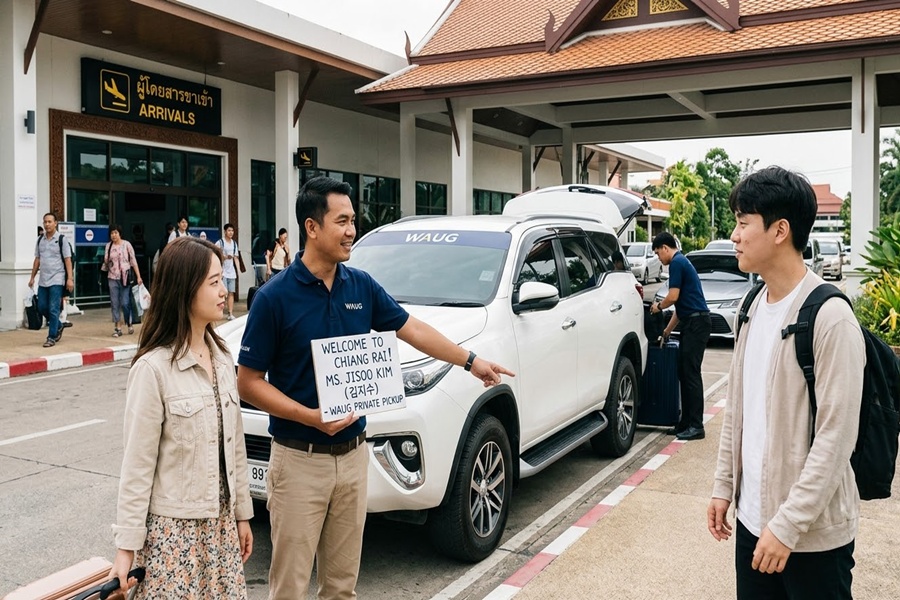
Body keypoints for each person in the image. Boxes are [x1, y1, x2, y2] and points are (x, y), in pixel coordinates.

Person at [236, 176, 514, 600]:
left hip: (353, 458)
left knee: (342, 587)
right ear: (312, 228)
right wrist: (309, 417)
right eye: (342, 221)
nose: (352, 230)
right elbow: (248, 382)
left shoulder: (360, 286)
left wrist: (471, 361)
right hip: (298, 462)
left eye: (353, 220)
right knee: (289, 588)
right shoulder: (274, 298)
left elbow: (412, 329)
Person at [707, 167, 865, 599]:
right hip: (752, 524)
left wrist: (788, 525)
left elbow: (836, 438)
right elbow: (737, 409)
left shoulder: (831, 318)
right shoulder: (751, 307)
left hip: (812, 539)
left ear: (780, 231)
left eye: (743, 223)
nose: (734, 236)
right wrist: (724, 486)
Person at [109, 236, 253, 598]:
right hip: (173, 538)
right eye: (214, 282)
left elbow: (234, 447)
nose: (223, 291)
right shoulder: (153, 369)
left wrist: (242, 515)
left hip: (221, 528)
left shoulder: (223, 358)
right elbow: (137, 466)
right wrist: (126, 549)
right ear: (185, 290)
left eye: (221, 280)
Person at [649, 231, 710, 441]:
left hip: (697, 324)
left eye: (658, 253)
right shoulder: (682, 262)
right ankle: (686, 422)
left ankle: (696, 426)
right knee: (684, 373)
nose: (659, 258)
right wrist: (666, 331)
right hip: (692, 322)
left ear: (665, 248)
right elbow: (680, 308)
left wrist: (658, 307)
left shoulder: (676, 263)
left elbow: (673, 297)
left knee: (691, 374)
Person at [28, 213, 73, 348]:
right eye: (45, 222)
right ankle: (58, 325)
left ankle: (51, 337)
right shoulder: (40, 240)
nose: (47, 224)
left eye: (49, 222)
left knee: (53, 309)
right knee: (41, 307)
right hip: (43, 279)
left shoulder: (61, 239)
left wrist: (70, 279)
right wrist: (32, 277)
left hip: (57, 279)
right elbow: (37, 259)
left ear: (55, 223)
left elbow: (68, 260)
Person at [102, 224, 143, 337]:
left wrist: (138, 276)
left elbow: (133, 261)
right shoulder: (108, 246)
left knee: (125, 303)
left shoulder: (127, 244)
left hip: (125, 277)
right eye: (112, 233)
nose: (114, 235)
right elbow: (106, 261)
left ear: (120, 233)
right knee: (115, 303)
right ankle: (118, 327)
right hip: (112, 277)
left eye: (116, 233)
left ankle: (129, 322)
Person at [216, 223, 239, 320]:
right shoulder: (220, 242)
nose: (231, 232)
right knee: (223, 293)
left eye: (232, 231)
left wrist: (238, 271)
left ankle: (230, 313)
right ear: (225, 231)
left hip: (231, 272)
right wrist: (224, 257)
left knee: (231, 293)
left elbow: (236, 258)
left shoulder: (234, 244)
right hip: (223, 272)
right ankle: (219, 312)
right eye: (229, 230)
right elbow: (215, 255)